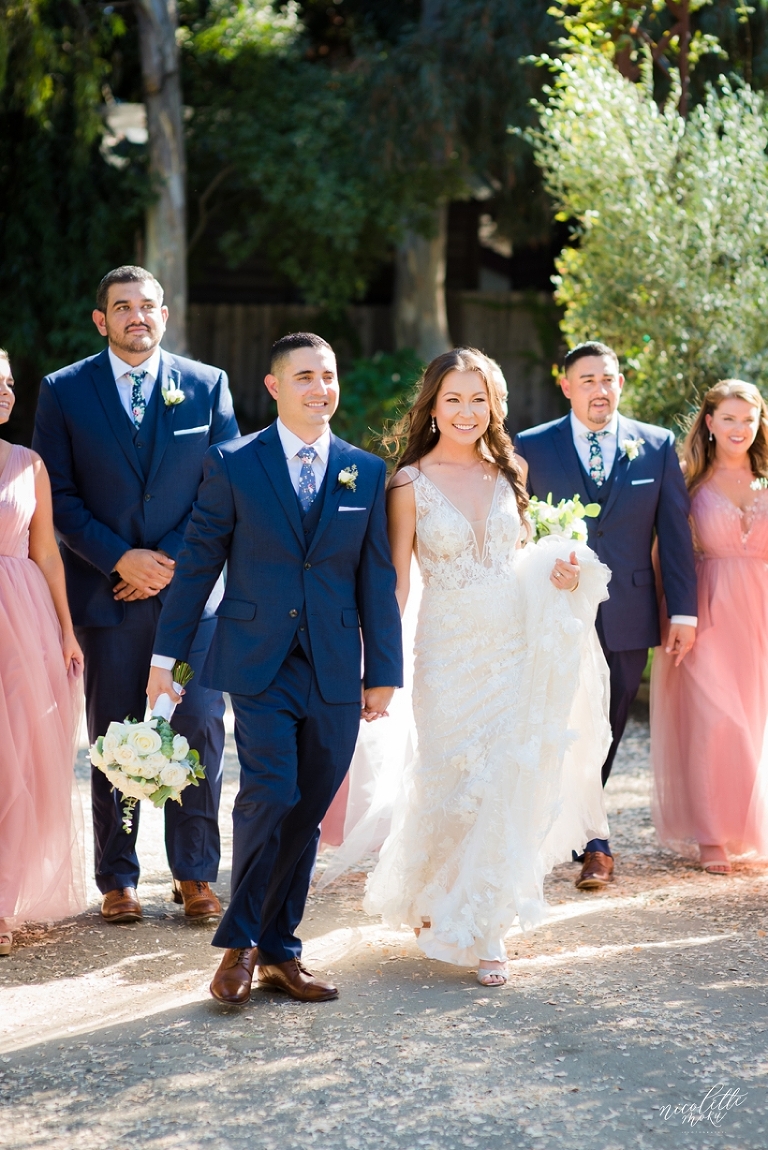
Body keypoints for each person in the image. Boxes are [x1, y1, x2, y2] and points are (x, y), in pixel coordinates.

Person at [147, 332, 403, 1005]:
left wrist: (384, 670)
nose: (321, 388)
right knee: (271, 794)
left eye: (329, 375)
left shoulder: (364, 470)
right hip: (258, 664)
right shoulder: (232, 463)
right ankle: (238, 946)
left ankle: (281, 951)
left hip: (337, 667)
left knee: (308, 809)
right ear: (274, 386)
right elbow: (198, 565)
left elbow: (377, 579)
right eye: (305, 377)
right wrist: (166, 660)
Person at [364, 348, 611, 987]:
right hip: (444, 653)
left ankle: (489, 925)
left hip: (512, 647)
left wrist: (559, 571)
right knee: (449, 781)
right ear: (433, 406)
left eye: (479, 400)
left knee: (505, 780)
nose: (467, 412)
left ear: (493, 407)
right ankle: (435, 898)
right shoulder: (408, 484)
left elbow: (521, 559)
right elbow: (395, 585)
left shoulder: (511, 472)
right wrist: (380, 663)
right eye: (454, 399)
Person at [32, 266, 239, 926]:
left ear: (165, 314)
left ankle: (195, 875)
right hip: (108, 593)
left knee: (199, 725)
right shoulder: (63, 392)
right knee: (116, 733)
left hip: (193, 598)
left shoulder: (207, 388)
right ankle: (117, 877)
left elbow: (224, 484)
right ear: (101, 320)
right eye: (122, 307)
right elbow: (55, 496)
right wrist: (119, 557)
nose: (136, 317)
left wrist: (168, 561)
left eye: (147, 306)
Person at [515, 342, 698, 890]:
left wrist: (682, 611)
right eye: (588, 379)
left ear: (621, 384)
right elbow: (518, 534)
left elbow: (675, 537)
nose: (601, 388)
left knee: (609, 725)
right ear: (567, 386)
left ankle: (587, 829)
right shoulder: (531, 446)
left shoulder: (657, 445)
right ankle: (590, 842)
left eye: (610, 379)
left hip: (628, 608)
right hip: (555, 609)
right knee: (554, 718)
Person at [651, 380, 768, 872]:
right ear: (709, 422)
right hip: (708, 609)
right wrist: (671, 615)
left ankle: (753, 827)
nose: (739, 428)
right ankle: (711, 834)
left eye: (749, 418)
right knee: (716, 720)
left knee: (757, 721)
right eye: (729, 418)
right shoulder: (686, 480)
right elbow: (665, 553)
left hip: (761, 611)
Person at [0, 349, 86, 956]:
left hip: (22, 621)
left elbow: (48, 553)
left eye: (7, 384)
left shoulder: (29, 464)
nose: (4, 394)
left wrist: (66, 629)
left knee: (19, 762)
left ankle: (2, 903)